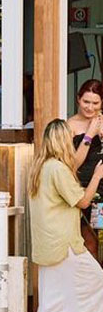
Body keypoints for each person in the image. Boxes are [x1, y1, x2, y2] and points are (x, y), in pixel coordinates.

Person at [30, 119, 103, 312]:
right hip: (63, 246)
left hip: (49, 247)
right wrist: (97, 175)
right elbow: (82, 201)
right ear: (62, 141)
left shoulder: (41, 167)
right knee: (95, 280)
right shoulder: (57, 170)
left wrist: (89, 136)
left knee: (52, 301)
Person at [68, 79, 103, 260]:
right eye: (86, 102)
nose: (90, 107)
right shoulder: (70, 126)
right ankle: (94, 285)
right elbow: (72, 164)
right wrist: (89, 134)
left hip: (102, 190)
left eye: (95, 103)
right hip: (82, 191)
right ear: (78, 99)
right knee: (89, 242)